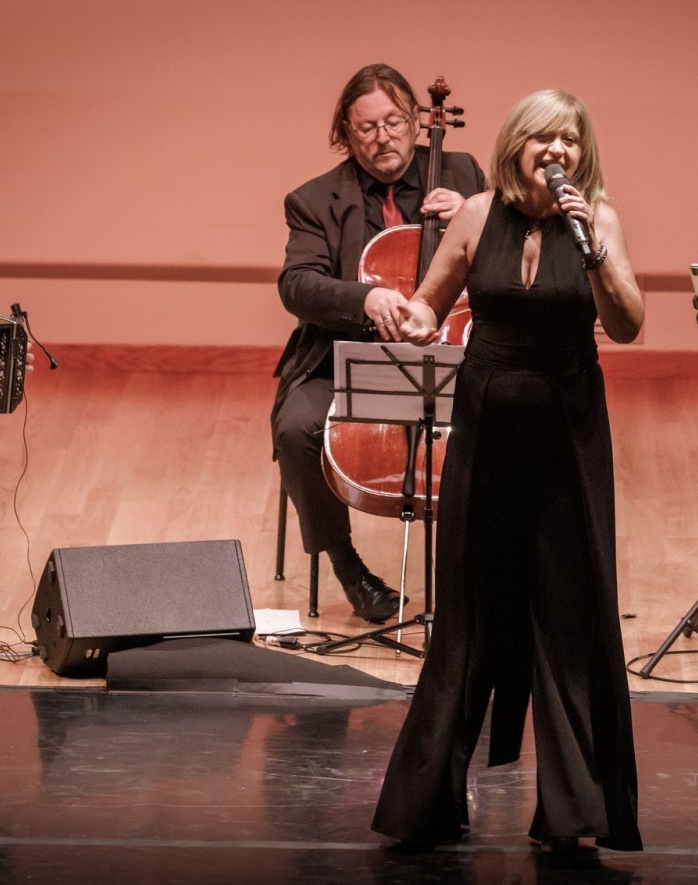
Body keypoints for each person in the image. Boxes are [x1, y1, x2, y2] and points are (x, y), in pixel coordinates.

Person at [371, 89, 644, 852]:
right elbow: (432, 306)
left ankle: (574, 811)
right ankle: (428, 801)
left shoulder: (599, 219)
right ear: (516, 144)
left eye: (571, 141)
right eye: (545, 140)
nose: (558, 153)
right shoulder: (477, 213)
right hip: (486, 428)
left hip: (566, 430)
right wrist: (409, 317)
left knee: (568, 608)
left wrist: (591, 244)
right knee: (469, 608)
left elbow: (626, 323)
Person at [275, 63, 486, 624]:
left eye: (394, 121)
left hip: (454, 354)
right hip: (347, 357)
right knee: (296, 429)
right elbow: (296, 284)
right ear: (345, 133)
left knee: (515, 419)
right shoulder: (315, 199)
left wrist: (474, 222)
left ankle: (488, 574)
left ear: (416, 122)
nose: (382, 137)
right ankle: (349, 567)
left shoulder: (463, 171)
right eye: (366, 128)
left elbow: (512, 259)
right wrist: (362, 300)